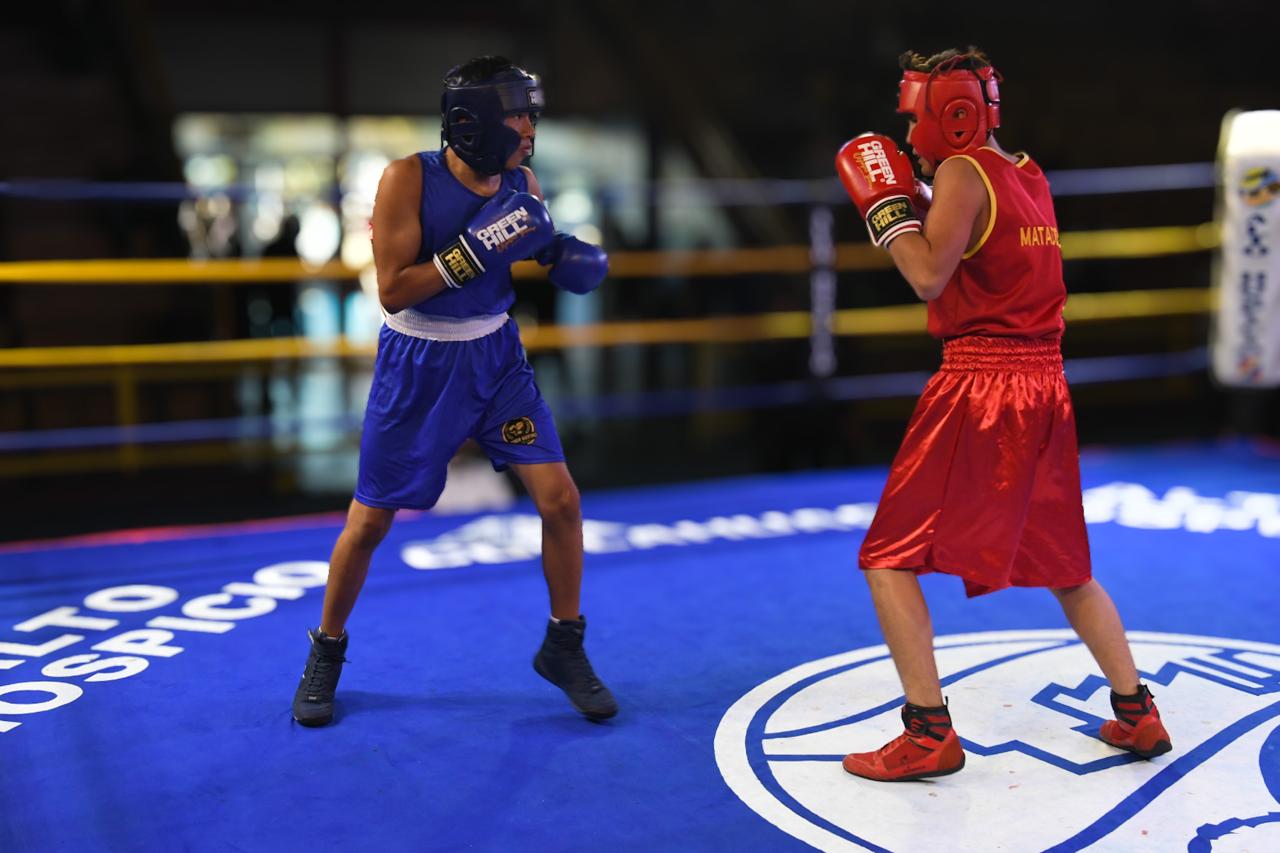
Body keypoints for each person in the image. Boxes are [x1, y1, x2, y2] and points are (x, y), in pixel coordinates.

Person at [833, 47, 1170, 781]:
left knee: (887, 558)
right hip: (1046, 385)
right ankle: (1137, 712)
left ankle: (928, 732)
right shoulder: (1025, 173)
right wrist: (919, 195)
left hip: (982, 386)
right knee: (1066, 566)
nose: (908, 131)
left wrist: (887, 207)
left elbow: (929, 274)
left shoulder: (961, 172)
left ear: (952, 115)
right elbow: (987, 245)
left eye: (915, 116)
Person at [291, 56, 617, 726]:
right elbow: (393, 290)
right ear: (477, 122)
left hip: (497, 360)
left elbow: (534, 242)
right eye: (518, 116)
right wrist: (477, 246)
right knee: (370, 521)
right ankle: (326, 650)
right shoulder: (406, 178)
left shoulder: (522, 182)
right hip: (419, 364)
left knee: (560, 501)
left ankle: (564, 644)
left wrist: (560, 254)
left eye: (531, 116)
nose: (529, 129)